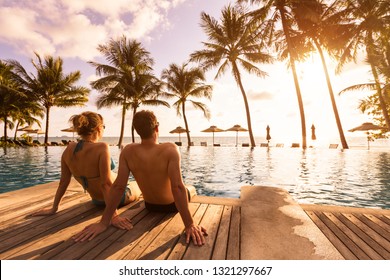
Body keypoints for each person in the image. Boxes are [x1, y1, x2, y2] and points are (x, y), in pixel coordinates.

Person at [73, 110, 207, 246]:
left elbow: (118, 187)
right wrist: (190, 224)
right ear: (157, 128)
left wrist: (104, 222)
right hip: (171, 207)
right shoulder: (170, 149)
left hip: (150, 206)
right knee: (190, 188)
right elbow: (177, 187)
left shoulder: (128, 151)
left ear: (137, 131)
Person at [31, 111, 140, 230]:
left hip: (97, 201)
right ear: (99, 128)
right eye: (103, 127)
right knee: (138, 185)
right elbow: (106, 184)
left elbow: (63, 182)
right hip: (117, 199)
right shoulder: (102, 147)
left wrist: (54, 208)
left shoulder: (69, 149)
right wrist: (113, 217)